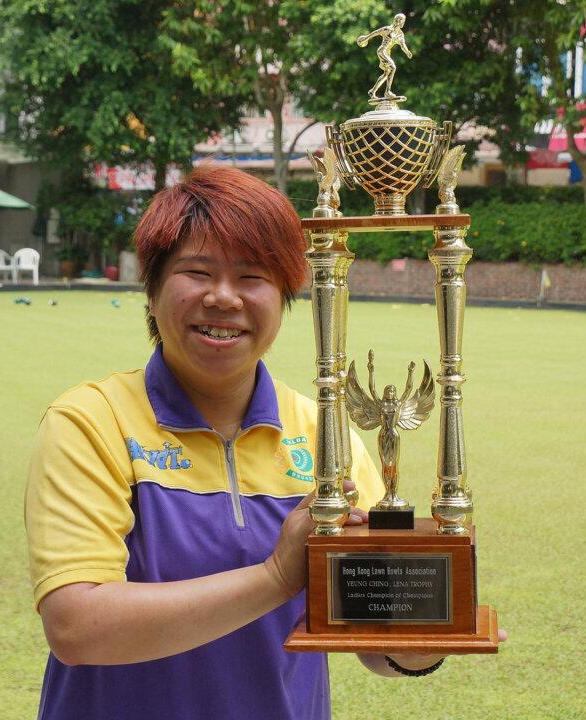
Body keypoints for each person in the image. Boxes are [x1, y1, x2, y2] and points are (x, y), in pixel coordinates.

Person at [26, 168, 499, 720]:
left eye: (251, 276)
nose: (223, 297)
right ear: (151, 291)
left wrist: (429, 628)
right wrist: (275, 577)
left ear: (284, 298)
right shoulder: (92, 422)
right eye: (197, 272)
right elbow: (77, 627)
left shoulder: (324, 436)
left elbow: (375, 638)